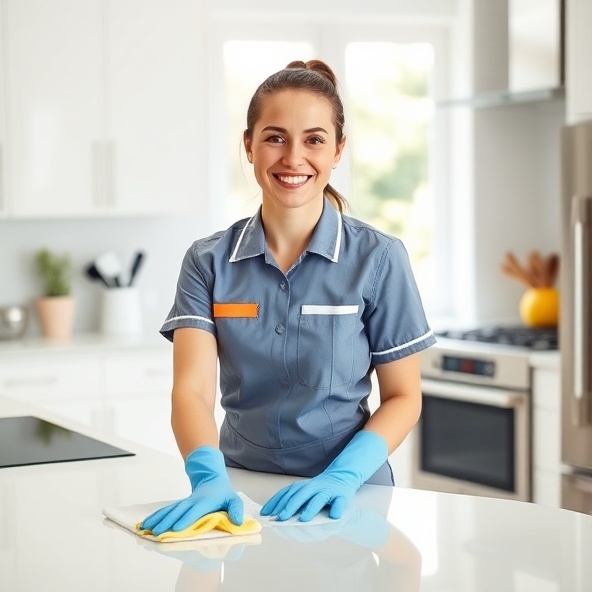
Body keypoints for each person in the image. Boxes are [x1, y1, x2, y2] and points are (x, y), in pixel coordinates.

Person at [141, 59, 436, 536]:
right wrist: (207, 477)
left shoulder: (380, 258)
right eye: (275, 137)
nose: (293, 158)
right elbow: (191, 390)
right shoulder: (207, 261)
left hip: (351, 495)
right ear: (249, 145)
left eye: (314, 139)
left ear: (338, 150)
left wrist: (345, 475)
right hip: (238, 492)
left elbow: (403, 396)